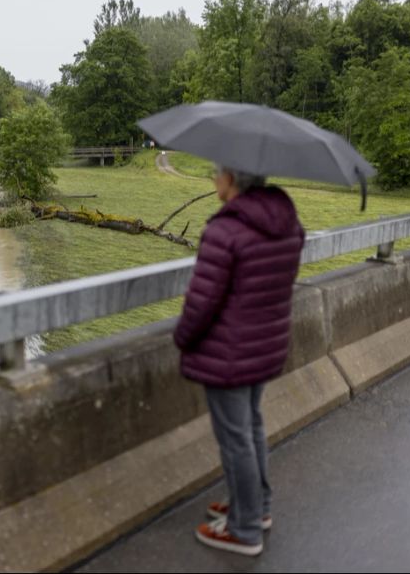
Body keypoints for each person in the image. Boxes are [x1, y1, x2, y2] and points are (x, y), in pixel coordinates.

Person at [173, 165, 305, 557]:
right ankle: (255, 507)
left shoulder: (225, 231)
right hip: (264, 345)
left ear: (232, 179)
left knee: (236, 440)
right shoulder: (286, 222)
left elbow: (201, 304)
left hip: (228, 353)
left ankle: (245, 529)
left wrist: (182, 338)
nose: (213, 178)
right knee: (251, 428)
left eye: (217, 172)